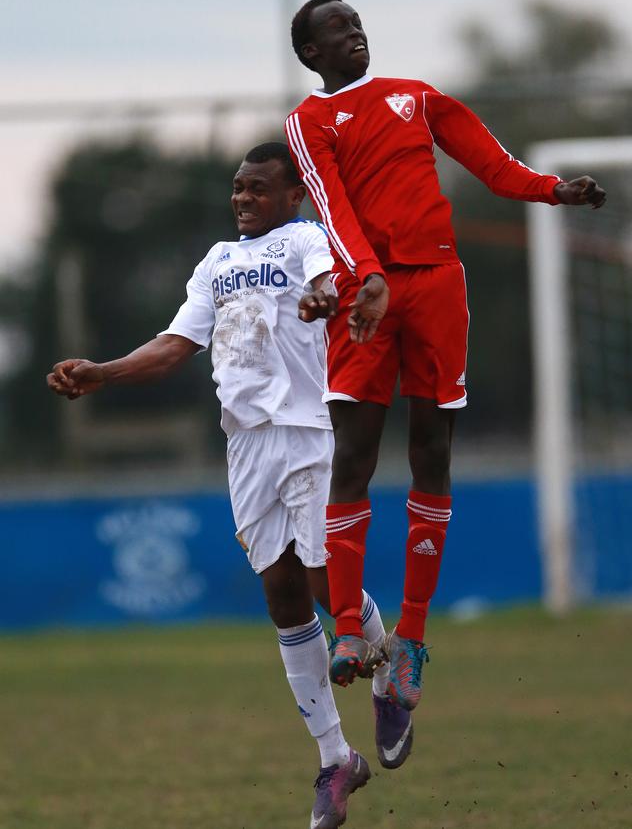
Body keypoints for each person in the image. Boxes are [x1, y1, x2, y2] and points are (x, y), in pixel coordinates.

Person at [46, 142, 413, 829]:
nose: (244, 198)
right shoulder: (216, 263)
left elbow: (330, 279)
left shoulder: (305, 237)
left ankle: (390, 671)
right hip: (245, 446)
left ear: (292, 195)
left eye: (259, 188)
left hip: (306, 431)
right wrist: (105, 371)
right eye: (238, 189)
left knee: (322, 578)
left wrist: (324, 294)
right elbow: (176, 344)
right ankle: (337, 760)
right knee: (280, 593)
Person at [286, 0, 607, 712]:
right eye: (336, 30)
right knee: (354, 456)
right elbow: (332, 207)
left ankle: (412, 639)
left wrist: (554, 190)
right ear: (311, 54)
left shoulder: (417, 98)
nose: (354, 32)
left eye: (356, 21)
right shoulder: (309, 123)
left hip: (437, 285)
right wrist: (366, 277)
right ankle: (346, 629)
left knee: (432, 449)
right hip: (365, 293)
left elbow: (494, 166)